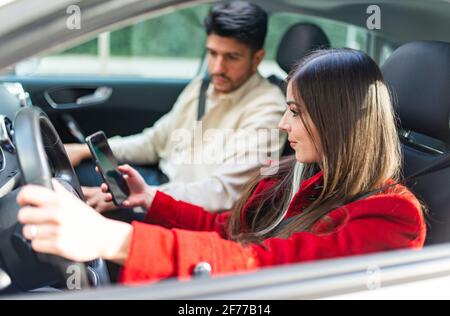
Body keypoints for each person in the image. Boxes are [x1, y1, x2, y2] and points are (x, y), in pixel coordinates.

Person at [17, 49, 426, 285]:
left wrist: (113, 240)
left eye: (296, 113)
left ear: (337, 120)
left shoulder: (392, 216)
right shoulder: (295, 173)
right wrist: (152, 200)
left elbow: (266, 267)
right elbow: (230, 231)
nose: (283, 125)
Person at [65, 1, 286, 213]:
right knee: (74, 173)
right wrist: (84, 151)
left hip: (183, 211)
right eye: (212, 53)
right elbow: (154, 141)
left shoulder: (268, 109)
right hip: (159, 184)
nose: (218, 68)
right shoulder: (202, 86)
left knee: (73, 199)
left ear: (257, 59)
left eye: (232, 57)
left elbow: (226, 193)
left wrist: (143, 197)